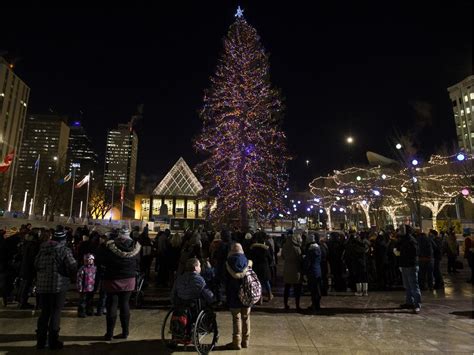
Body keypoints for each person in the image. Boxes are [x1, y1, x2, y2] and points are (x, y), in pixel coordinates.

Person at [34, 226, 77, 349]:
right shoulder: (64, 250)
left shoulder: (42, 249)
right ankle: (53, 340)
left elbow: (36, 264)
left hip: (42, 286)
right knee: (55, 313)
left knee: (44, 313)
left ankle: (41, 341)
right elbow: (72, 265)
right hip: (58, 286)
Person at [97, 228, 140, 341]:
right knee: (125, 304)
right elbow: (138, 262)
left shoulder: (109, 246)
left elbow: (101, 260)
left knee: (111, 305)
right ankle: (125, 332)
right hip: (129, 279)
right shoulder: (135, 247)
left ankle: (109, 333)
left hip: (112, 278)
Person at [225, 243, 252, 350]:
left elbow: (224, 279)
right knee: (246, 317)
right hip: (246, 293)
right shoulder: (247, 261)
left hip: (233, 294)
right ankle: (246, 341)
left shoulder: (228, 263)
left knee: (236, 318)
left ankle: (236, 342)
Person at [394, 225, 422, 314]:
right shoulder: (403, 240)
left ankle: (417, 304)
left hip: (410, 265)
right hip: (405, 265)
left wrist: (401, 252)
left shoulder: (411, 240)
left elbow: (415, 252)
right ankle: (409, 302)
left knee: (413, 285)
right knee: (408, 285)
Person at [248, 234, 273, 304]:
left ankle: (260, 298)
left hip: (256, 266)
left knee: (258, 283)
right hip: (265, 266)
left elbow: (250, 257)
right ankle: (269, 295)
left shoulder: (253, 248)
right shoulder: (265, 248)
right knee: (266, 282)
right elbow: (270, 258)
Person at [282, 233, 303, 311]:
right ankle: (297, 305)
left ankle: (285, 304)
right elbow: (300, 259)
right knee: (297, 289)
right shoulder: (297, 248)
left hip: (287, 269)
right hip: (296, 270)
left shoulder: (285, 246)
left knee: (287, 288)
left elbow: (283, 256)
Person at [303, 234, 322, 312]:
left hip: (311, 272)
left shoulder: (310, 251)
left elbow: (307, 263)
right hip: (318, 270)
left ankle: (314, 305)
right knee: (317, 289)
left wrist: (305, 271)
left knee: (313, 290)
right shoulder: (319, 249)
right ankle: (317, 305)